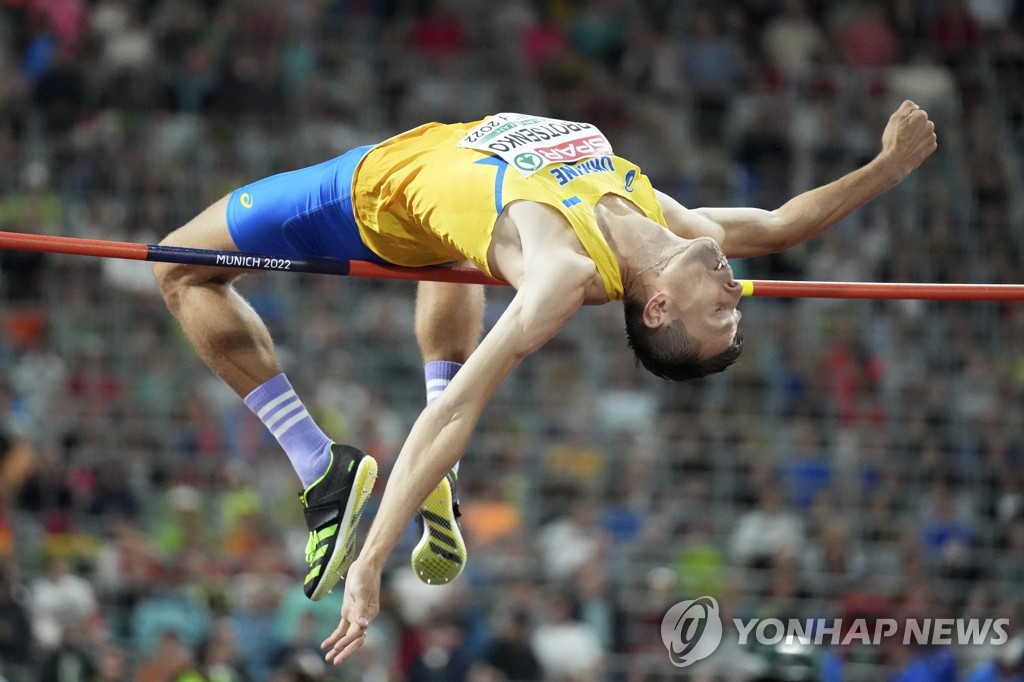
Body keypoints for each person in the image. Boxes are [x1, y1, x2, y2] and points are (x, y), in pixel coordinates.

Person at [150, 104, 937, 663]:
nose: (736, 298)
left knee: (179, 269)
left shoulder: (562, 272)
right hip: (442, 182)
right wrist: (888, 167)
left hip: (370, 193)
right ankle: (428, 481)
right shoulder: (668, 222)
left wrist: (369, 561)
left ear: (658, 305)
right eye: (735, 308)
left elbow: (461, 409)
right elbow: (781, 224)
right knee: (454, 254)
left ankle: (322, 468)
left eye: (718, 317)